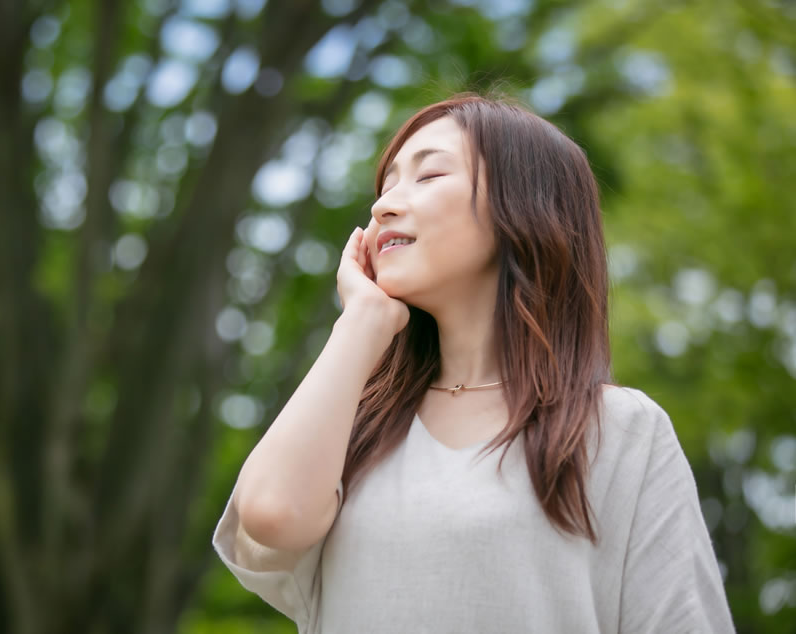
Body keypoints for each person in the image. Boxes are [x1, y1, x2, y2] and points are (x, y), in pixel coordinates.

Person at [211, 93, 736, 633]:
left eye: (429, 175)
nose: (383, 205)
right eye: (387, 183)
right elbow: (272, 515)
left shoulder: (619, 430)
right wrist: (363, 321)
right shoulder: (350, 423)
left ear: (525, 209)